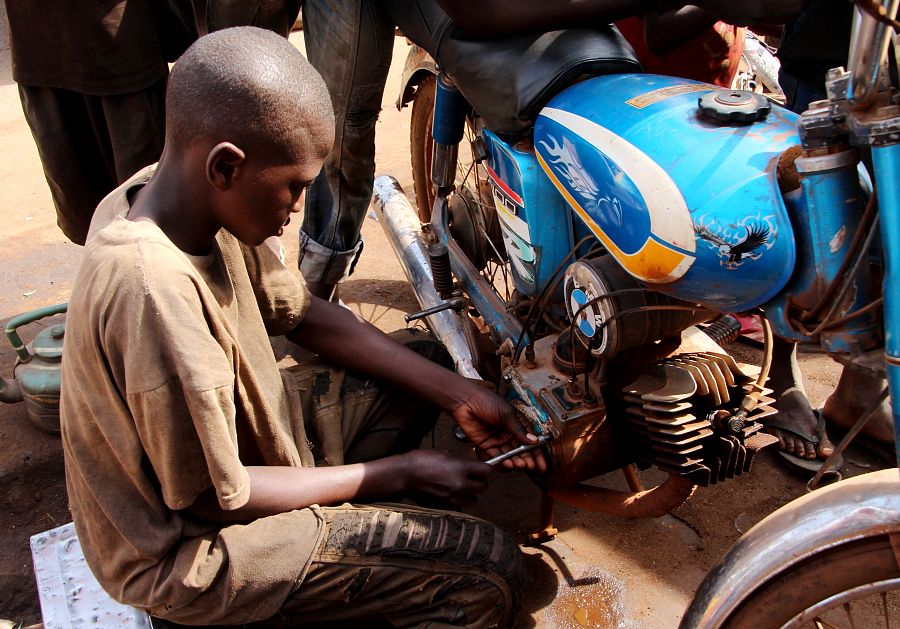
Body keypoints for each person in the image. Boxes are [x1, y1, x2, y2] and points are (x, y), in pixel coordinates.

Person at [60, 27, 542, 626]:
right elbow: (219, 498)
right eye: (295, 189)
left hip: (252, 452)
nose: (295, 210)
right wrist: (395, 474)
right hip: (194, 554)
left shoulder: (180, 198)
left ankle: (354, 547)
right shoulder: (150, 290)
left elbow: (306, 314)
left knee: (429, 363)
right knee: (489, 575)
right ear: (227, 166)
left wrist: (462, 393)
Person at [299, 0, 804, 300]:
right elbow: (480, 10)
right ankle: (315, 284)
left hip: (586, 46)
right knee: (341, 116)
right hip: (471, 14)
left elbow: (663, 25)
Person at [5, 0, 197, 245]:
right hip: (104, 49)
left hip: (47, 43)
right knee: (146, 207)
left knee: (119, 204)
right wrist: (181, 35)